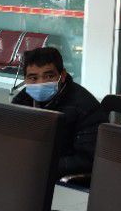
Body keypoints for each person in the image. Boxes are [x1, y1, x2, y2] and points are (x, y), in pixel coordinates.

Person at [12, 47, 106, 178]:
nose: (40, 83)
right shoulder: (23, 99)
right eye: (33, 78)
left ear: (62, 76)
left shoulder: (85, 107)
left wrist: (41, 166)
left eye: (49, 76)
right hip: (27, 172)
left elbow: (88, 159)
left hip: (62, 178)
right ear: (25, 79)